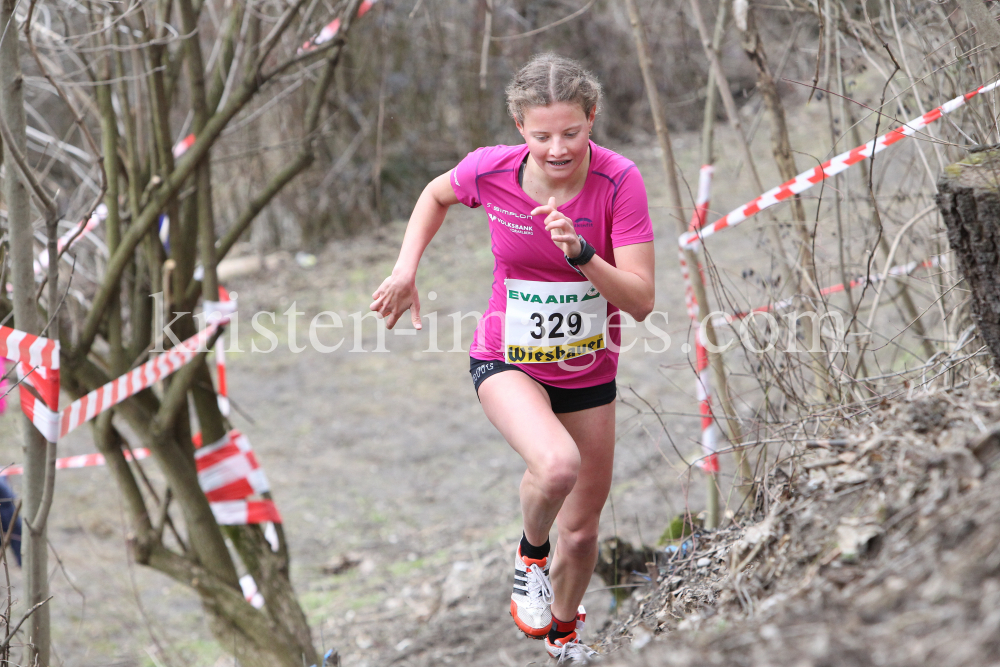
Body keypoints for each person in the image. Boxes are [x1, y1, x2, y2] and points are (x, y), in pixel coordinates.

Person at [370, 53, 654, 664]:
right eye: (542, 134)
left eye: (572, 133)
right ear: (519, 127)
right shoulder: (490, 171)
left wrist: (583, 255)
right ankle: (529, 557)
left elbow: (641, 302)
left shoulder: (618, 181)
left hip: (588, 370)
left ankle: (564, 635)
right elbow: (433, 194)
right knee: (556, 467)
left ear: (592, 119)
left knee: (580, 534)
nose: (558, 148)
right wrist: (405, 268)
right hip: (506, 359)